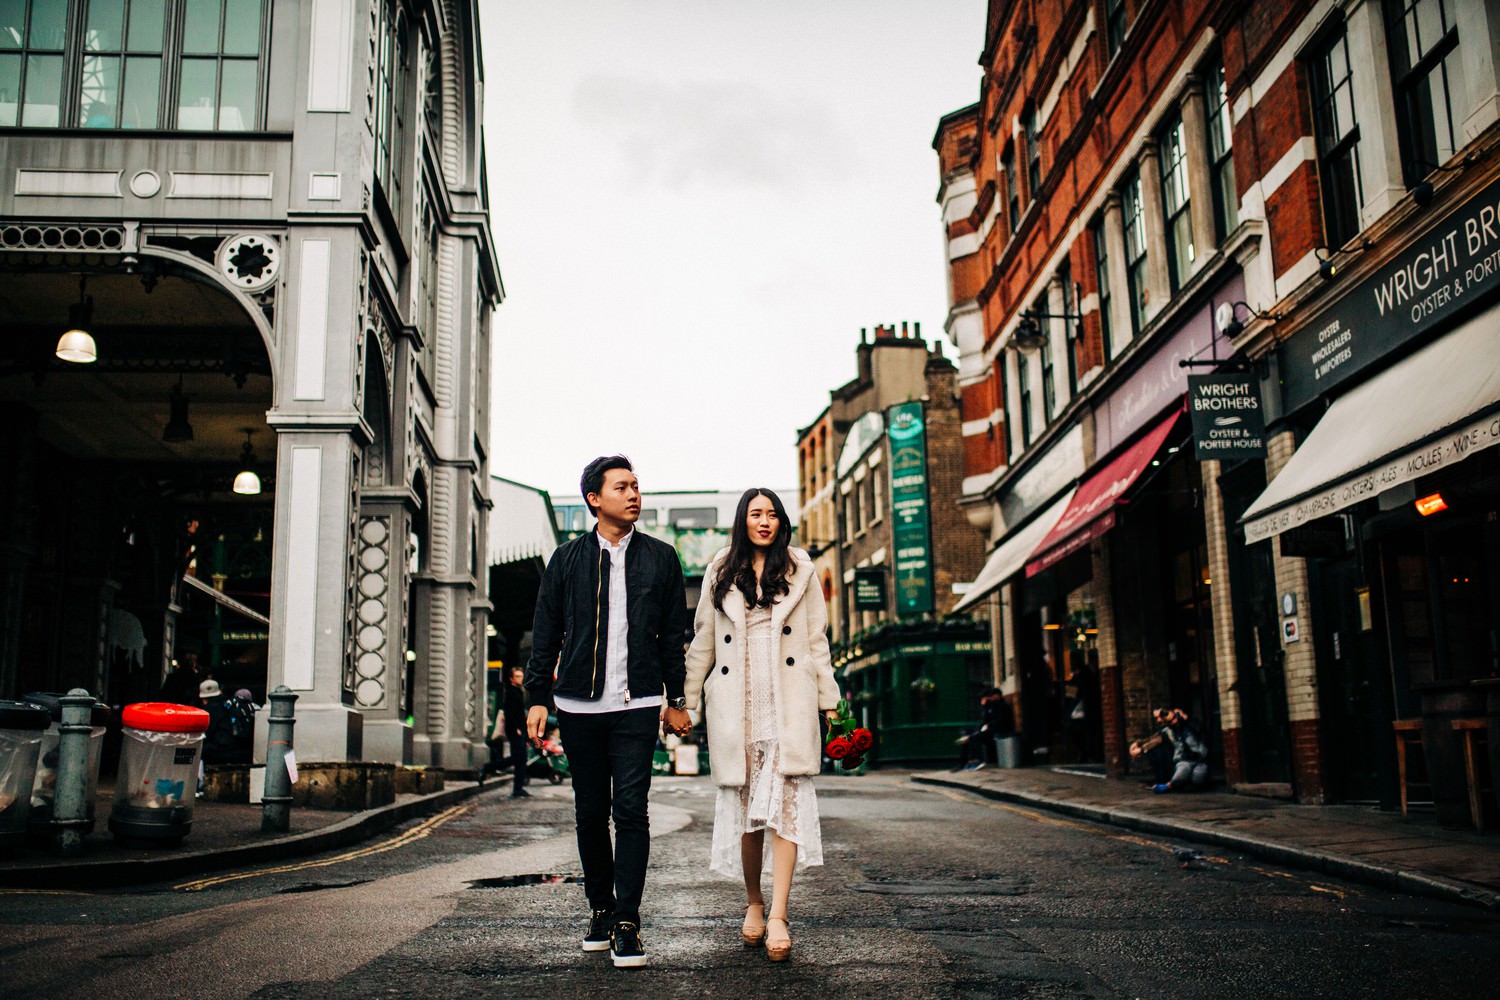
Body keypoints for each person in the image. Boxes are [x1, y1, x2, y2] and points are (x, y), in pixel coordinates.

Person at [525, 455, 689, 970]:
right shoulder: (566, 559)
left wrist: (676, 700)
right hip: (578, 704)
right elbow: (545, 631)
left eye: (637, 485)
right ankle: (599, 908)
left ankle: (626, 921)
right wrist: (535, 696)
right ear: (594, 499)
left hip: (637, 702)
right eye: (622, 487)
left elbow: (672, 639)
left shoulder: (662, 558)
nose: (634, 494)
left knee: (632, 811)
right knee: (591, 812)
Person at [683, 488, 841, 964]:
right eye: (756, 514)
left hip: (787, 697)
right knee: (750, 813)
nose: (765, 521)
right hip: (739, 702)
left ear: (781, 521)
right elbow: (703, 643)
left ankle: (780, 914)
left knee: (786, 806)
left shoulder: (800, 568)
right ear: (743, 520)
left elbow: (816, 641)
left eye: (772, 514)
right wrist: (686, 704)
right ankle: (754, 902)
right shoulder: (720, 569)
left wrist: (830, 701)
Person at [958, 687, 1015, 769]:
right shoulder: (990, 706)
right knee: (968, 735)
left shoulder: (1002, 706)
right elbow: (984, 720)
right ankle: (964, 762)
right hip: (990, 729)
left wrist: (988, 725)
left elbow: (1001, 721)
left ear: (996, 696)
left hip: (999, 730)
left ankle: (976, 760)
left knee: (975, 737)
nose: (989, 698)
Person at [502, 665, 531, 798]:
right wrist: (516, 729)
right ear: (511, 679)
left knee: (519, 759)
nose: (521, 679)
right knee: (520, 758)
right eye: (518, 676)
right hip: (515, 731)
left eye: (521, 676)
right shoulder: (511, 692)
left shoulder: (519, 691)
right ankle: (488, 767)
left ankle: (518, 788)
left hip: (520, 730)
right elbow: (510, 713)